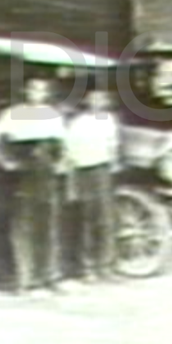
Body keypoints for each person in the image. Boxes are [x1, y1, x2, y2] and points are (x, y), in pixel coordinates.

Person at [0, 77, 67, 294]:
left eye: (41, 90)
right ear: (25, 91)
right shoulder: (13, 113)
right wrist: (6, 161)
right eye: (33, 89)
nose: (37, 93)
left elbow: (62, 143)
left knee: (48, 225)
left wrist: (60, 163)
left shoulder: (53, 115)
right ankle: (24, 279)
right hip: (24, 174)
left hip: (47, 174)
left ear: (46, 93)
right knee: (24, 226)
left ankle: (49, 277)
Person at [64, 89, 121, 281]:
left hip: (103, 171)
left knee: (106, 219)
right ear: (88, 102)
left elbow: (112, 146)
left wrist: (112, 165)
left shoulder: (109, 120)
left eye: (102, 100)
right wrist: (72, 180)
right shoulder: (78, 123)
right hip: (84, 171)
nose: (99, 103)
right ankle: (87, 267)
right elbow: (70, 152)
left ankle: (106, 265)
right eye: (94, 100)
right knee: (87, 219)